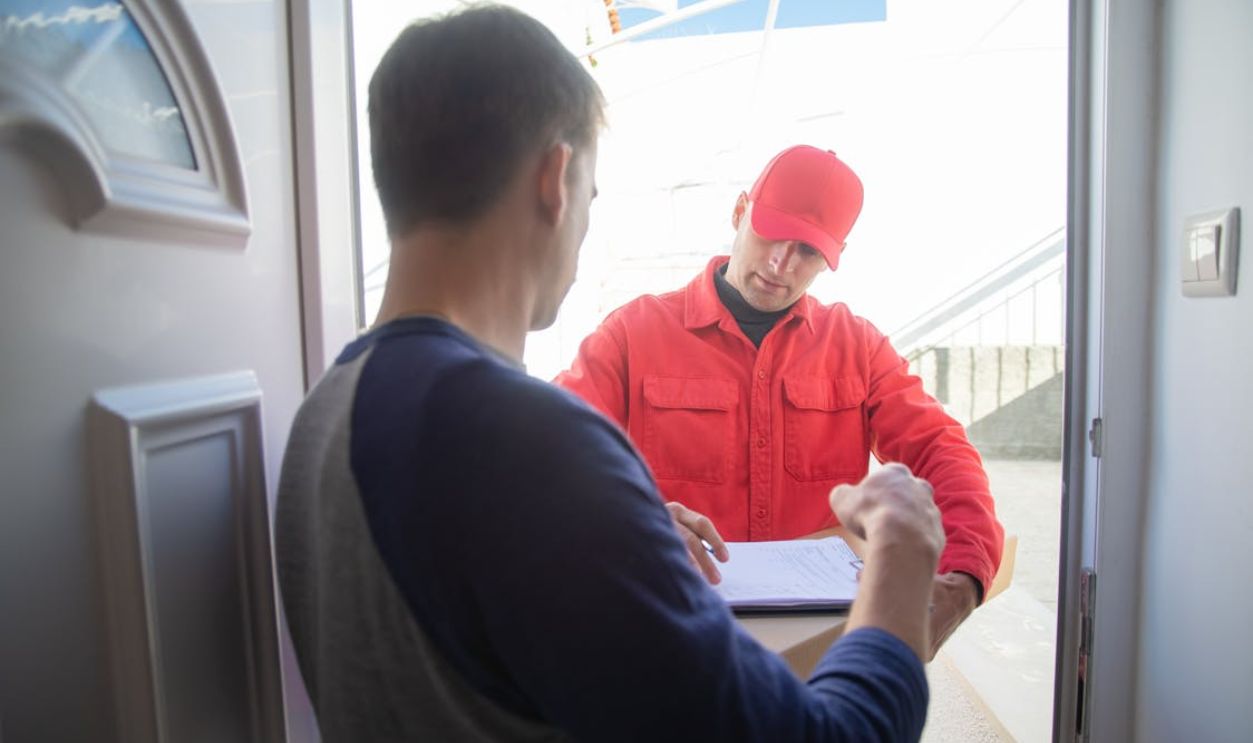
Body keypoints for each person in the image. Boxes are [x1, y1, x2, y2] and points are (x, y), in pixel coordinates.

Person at [275, 5, 945, 741]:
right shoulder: (531, 444)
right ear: (555, 180)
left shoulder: (321, 414)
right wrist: (901, 554)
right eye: (591, 194)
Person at [554, 144, 1004, 658]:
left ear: (834, 257)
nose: (780, 264)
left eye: (808, 252)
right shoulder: (632, 335)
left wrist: (965, 577)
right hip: (670, 633)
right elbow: (550, 454)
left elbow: (942, 451)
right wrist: (631, 518)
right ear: (741, 210)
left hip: (812, 648)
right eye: (771, 232)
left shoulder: (858, 348)